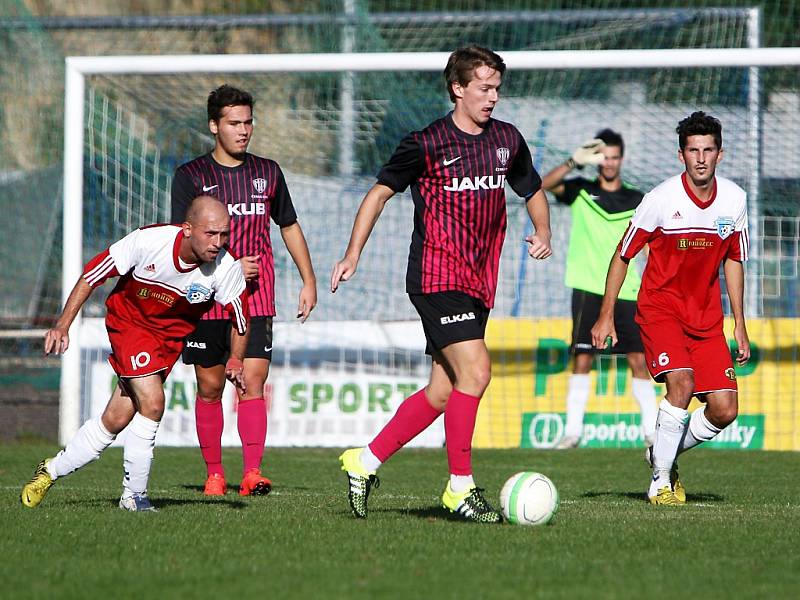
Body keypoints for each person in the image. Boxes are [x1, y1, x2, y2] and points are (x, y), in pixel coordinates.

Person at [331, 46, 552, 523]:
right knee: (476, 373)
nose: (492, 97)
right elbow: (379, 193)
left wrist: (544, 230)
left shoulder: (507, 140)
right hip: (435, 276)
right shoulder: (426, 143)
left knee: (443, 391)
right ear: (458, 88)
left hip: (477, 280)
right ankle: (460, 487)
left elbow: (532, 188)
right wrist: (353, 253)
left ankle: (364, 461)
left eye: (497, 89)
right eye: (484, 88)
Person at [21, 196, 249, 511]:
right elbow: (93, 274)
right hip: (129, 325)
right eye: (211, 234)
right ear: (186, 229)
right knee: (153, 403)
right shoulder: (149, 241)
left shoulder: (225, 267)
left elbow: (240, 319)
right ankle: (134, 496)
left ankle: (51, 469)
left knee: (115, 419)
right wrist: (62, 325)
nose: (218, 242)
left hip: (167, 342)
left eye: (224, 234)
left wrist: (236, 358)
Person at [591, 111, 750, 505]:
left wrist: (740, 324)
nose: (701, 158)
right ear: (681, 155)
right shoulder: (660, 201)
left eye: (708, 150)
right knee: (682, 384)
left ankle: (663, 450)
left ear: (720, 154)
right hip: (660, 311)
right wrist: (606, 313)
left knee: (725, 409)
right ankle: (661, 479)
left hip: (707, 320)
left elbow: (734, 260)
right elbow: (623, 254)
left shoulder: (734, 200)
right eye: (693, 150)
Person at [171, 85, 317, 497]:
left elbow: (288, 225)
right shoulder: (191, 176)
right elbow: (181, 238)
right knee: (211, 386)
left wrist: (308, 280)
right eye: (234, 122)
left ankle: (252, 473)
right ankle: (215, 474)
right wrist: (230, 267)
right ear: (214, 126)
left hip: (257, 299)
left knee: (253, 381)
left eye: (248, 121)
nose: (244, 130)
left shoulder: (268, 173)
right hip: (205, 297)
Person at [542, 129, 656, 449]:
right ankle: (573, 431)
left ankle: (651, 431)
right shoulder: (581, 190)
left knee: (638, 359)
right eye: (604, 156)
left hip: (627, 290)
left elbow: (648, 246)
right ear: (596, 158)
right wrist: (571, 162)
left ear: (622, 159)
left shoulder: (637, 199)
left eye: (615, 156)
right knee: (582, 358)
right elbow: (540, 186)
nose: (609, 162)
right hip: (587, 287)